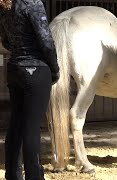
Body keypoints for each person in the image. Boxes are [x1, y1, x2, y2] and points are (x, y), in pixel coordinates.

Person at [0, 0, 60, 179]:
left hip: (15, 68)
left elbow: (6, 41)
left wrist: (21, 48)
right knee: (32, 129)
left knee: (16, 126)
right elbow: (46, 40)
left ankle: (13, 174)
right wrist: (55, 68)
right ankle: (34, 176)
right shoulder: (32, 4)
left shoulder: (4, 8)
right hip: (36, 70)